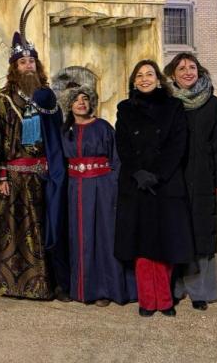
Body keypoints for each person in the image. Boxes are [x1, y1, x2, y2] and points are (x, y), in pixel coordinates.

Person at [0, 1, 68, 300]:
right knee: (11, 229)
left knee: (45, 228)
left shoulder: (47, 96)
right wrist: (0, 175)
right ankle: (9, 285)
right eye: (23, 63)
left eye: (32, 62)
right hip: (13, 175)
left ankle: (45, 284)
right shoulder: (3, 98)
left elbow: (57, 135)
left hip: (43, 174)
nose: (28, 66)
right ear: (14, 67)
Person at [114, 60, 194, 317]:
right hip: (135, 184)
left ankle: (165, 299)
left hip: (165, 184)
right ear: (134, 82)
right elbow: (123, 143)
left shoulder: (174, 107)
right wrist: (138, 172)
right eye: (139, 75)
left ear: (159, 79)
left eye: (150, 74)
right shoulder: (124, 108)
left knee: (164, 243)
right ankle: (147, 300)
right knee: (141, 244)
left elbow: (177, 144)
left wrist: (157, 174)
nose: (145, 78)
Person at [164, 53, 217, 310]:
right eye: (181, 68)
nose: (187, 72)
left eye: (192, 67)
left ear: (199, 71)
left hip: (203, 176)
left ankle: (200, 291)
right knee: (175, 232)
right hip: (173, 178)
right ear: (172, 74)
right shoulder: (167, 102)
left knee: (202, 232)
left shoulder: (211, 103)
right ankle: (175, 287)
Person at [60, 84, 136, 305]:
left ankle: (107, 289)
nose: (81, 103)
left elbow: (117, 159)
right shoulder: (65, 130)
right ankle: (83, 289)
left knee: (104, 236)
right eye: (76, 100)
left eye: (85, 99)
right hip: (75, 188)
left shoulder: (103, 127)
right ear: (69, 105)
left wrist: (113, 185)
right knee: (79, 237)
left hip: (103, 188)